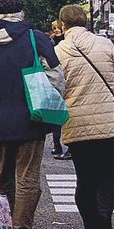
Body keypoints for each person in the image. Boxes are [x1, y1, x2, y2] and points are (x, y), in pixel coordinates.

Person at [0, 0, 62, 229]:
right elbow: (56, 76)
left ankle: (5, 225)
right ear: (21, 14)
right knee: (28, 178)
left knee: (1, 177)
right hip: (31, 120)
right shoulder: (36, 38)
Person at [53, 5, 114, 229]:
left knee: (85, 179)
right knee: (108, 177)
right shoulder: (106, 45)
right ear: (86, 21)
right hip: (110, 123)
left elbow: (57, 87)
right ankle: (104, 222)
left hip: (78, 125)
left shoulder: (60, 51)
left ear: (62, 24)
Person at [48, 20, 71, 160]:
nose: (56, 30)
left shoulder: (65, 44)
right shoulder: (50, 43)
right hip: (57, 84)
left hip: (66, 83)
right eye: (54, 28)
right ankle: (57, 145)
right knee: (56, 120)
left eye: (58, 28)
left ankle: (68, 147)